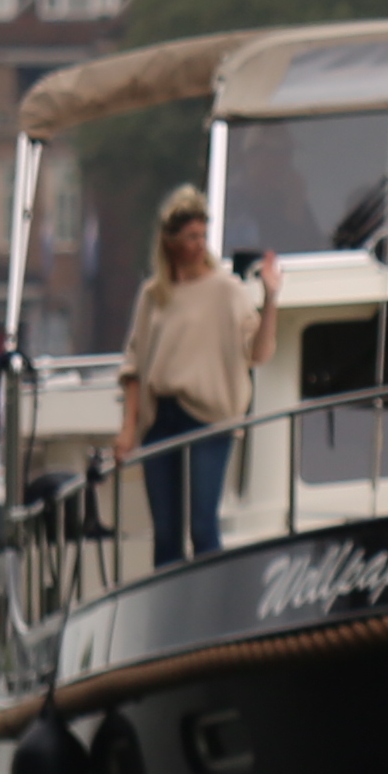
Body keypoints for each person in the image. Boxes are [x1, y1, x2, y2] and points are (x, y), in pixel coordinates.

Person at [119, 187, 278, 565]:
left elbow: (259, 351)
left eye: (202, 236)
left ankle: (213, 603)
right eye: (190, 236)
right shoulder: (154, 294)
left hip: (211, 416)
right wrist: (128, 429)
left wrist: (271, 297)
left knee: (203, 525)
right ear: (170, 241)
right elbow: (134, 366)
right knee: (167, 532)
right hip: (162, 416)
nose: (198, 244)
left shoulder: (227, 290)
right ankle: (167, 613)